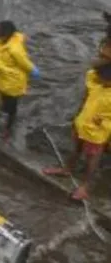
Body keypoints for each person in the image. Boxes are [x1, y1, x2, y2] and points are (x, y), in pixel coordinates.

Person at [44, 63, 111, 201]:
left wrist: (103, 122)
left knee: (91, 159)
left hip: (96, 134)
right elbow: (91, 77)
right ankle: (66, 169)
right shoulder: (96, 83)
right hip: (82, 125)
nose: (98, 78)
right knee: (75, 149)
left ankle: (84, 187)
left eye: (101, 78)